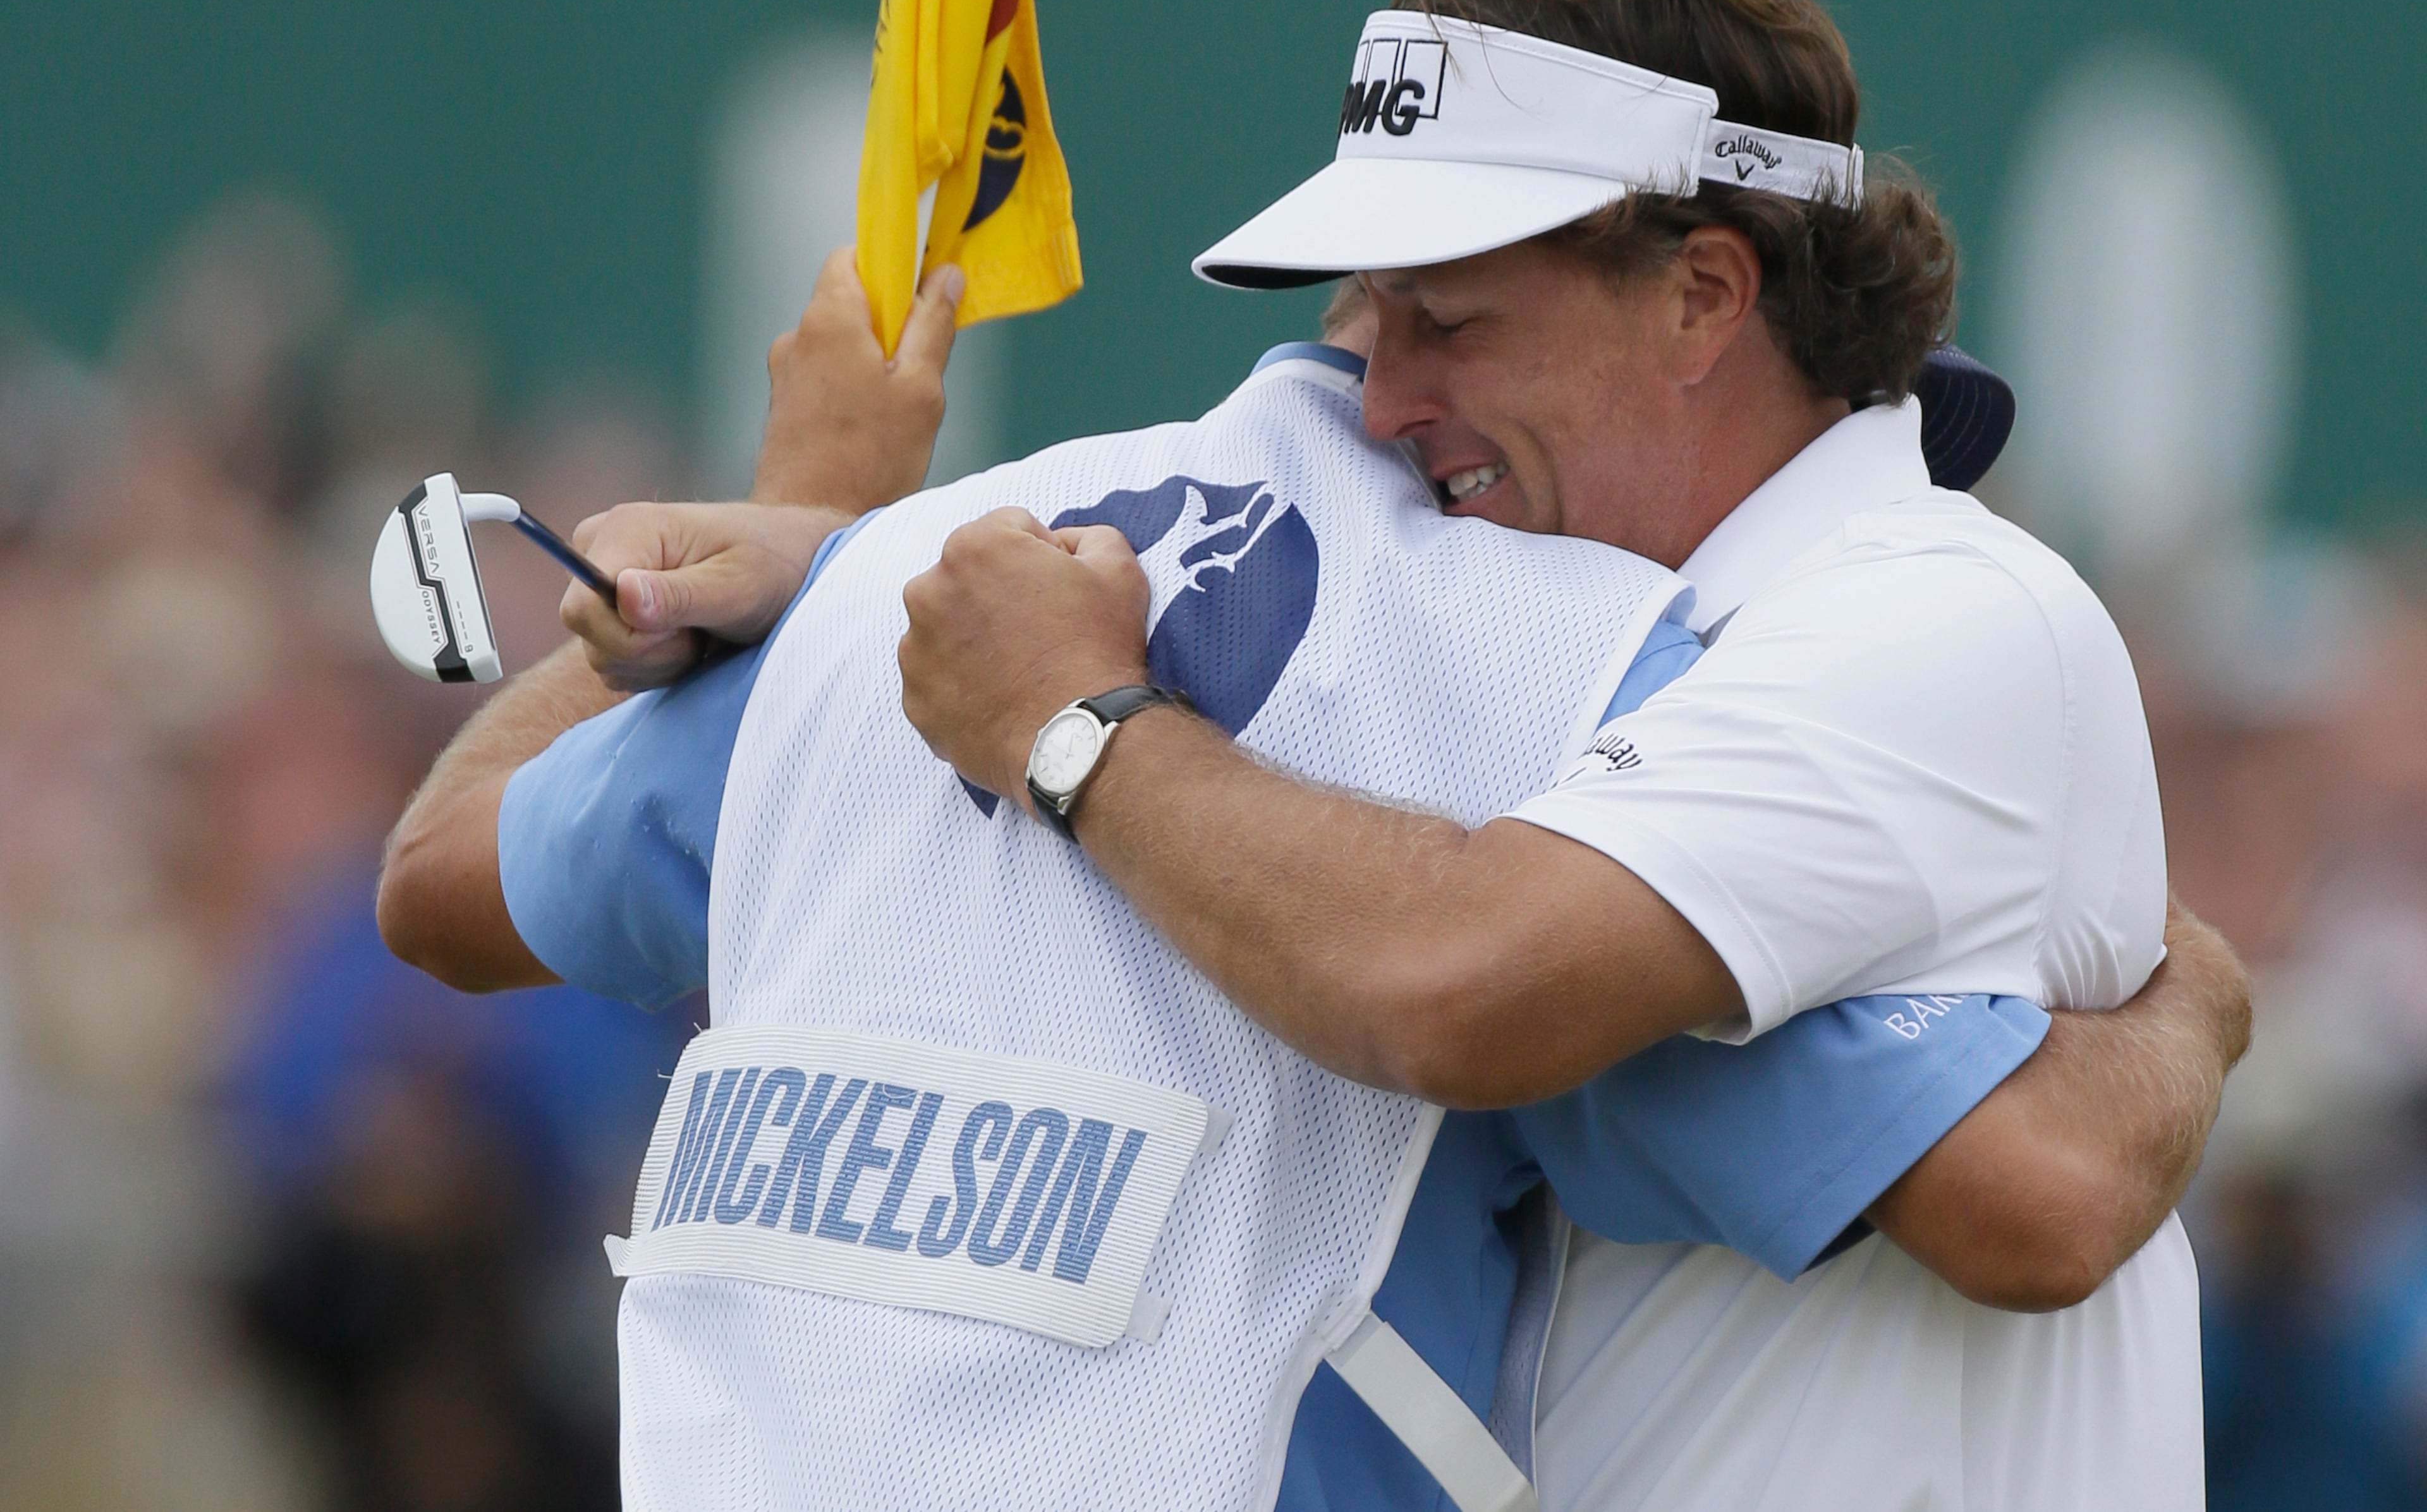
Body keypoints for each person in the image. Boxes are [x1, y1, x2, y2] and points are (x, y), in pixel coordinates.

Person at [382, 260, 2239, 1512]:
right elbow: (2043, 1190)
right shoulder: (1541, 731)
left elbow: (446, 867)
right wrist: (2193, 996)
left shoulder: (910, 598)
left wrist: (838, 522)